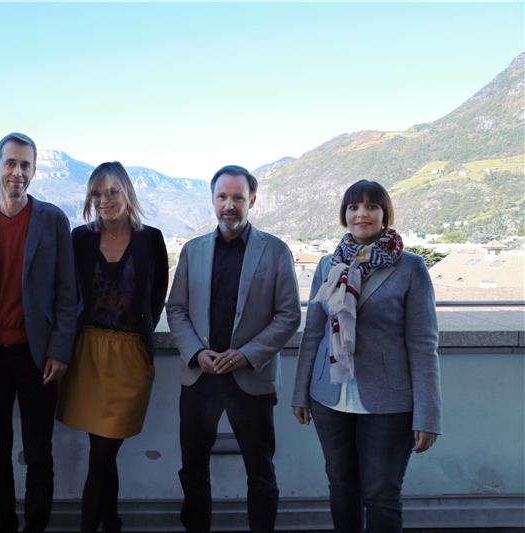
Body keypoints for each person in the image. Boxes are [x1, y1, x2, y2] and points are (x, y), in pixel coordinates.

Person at [291, 179, 441, 533]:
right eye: (353, 207)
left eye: (371, 206)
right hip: (329, 398)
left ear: (384, 214)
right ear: (344, 215)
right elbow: (313, 333)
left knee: (381, 494)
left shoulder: (410, 267)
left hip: (389, 404)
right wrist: (300, 393)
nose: (362, 214)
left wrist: (428, 414)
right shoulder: (328, 264)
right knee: (341, 487)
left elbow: (423, 344)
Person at [166, 165, 301, 533]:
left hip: (250, 378)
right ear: (212, 200)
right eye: (222, 197)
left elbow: (289, 315)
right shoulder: (192, 251)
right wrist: (196, 353)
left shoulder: (275, 251)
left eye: (237, 197)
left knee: (261, 471)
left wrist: (246, 355)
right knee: (192, 469)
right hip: (200, 377)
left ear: (251, 201)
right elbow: (176, 308)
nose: (229, 204)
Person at [0, 132, 76, 533]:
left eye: (25, 165)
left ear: (34, 171)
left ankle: (36, 527)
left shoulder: (53, 220)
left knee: (39, 454)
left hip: (39, 360)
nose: (17, 172)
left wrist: (60, 350)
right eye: (10, 163)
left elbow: (67, 292)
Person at [57, 162, 169, 533]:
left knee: (104, 451)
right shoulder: (79, 238)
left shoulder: (151, 239)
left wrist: (137, 333)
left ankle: (90, 526)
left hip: (130, 358)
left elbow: (156, 295)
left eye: (112, 191)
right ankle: (112, 521)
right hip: (87, 355)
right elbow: (66, 294)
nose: (104, 200)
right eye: (97, 193)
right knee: (101, 452)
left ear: (127, 192)